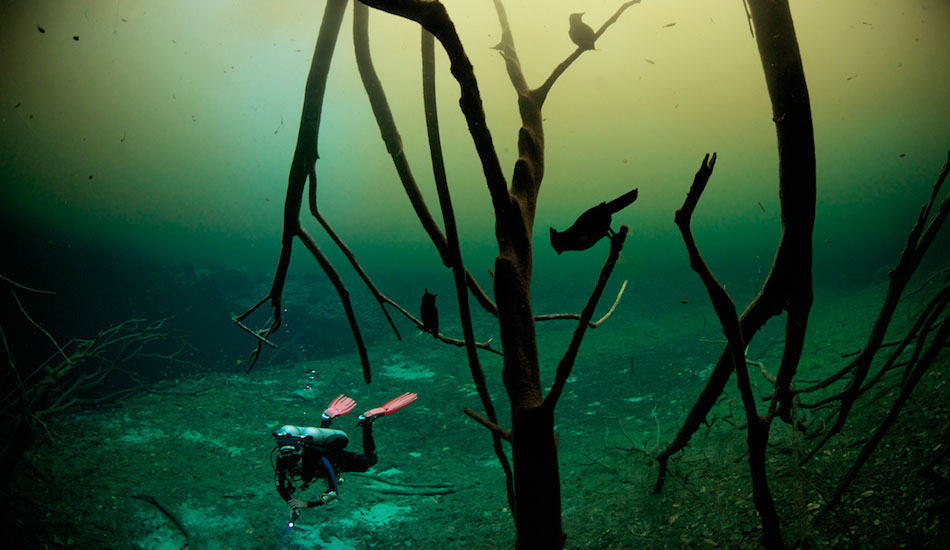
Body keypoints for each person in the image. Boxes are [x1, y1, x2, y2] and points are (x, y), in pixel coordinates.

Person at [272, 392, 417, 524]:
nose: (292, 465)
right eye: (288, 461)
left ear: (300, 453)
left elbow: (333, 492)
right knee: (322, 446)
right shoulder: (283, 459)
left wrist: (307, 504)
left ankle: (367, 423)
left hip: (338, 458)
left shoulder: (321, 461)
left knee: (369, 461)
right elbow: (280, 485)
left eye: (295, 460)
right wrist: (291, 503)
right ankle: (326, 419)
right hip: (322, 447)